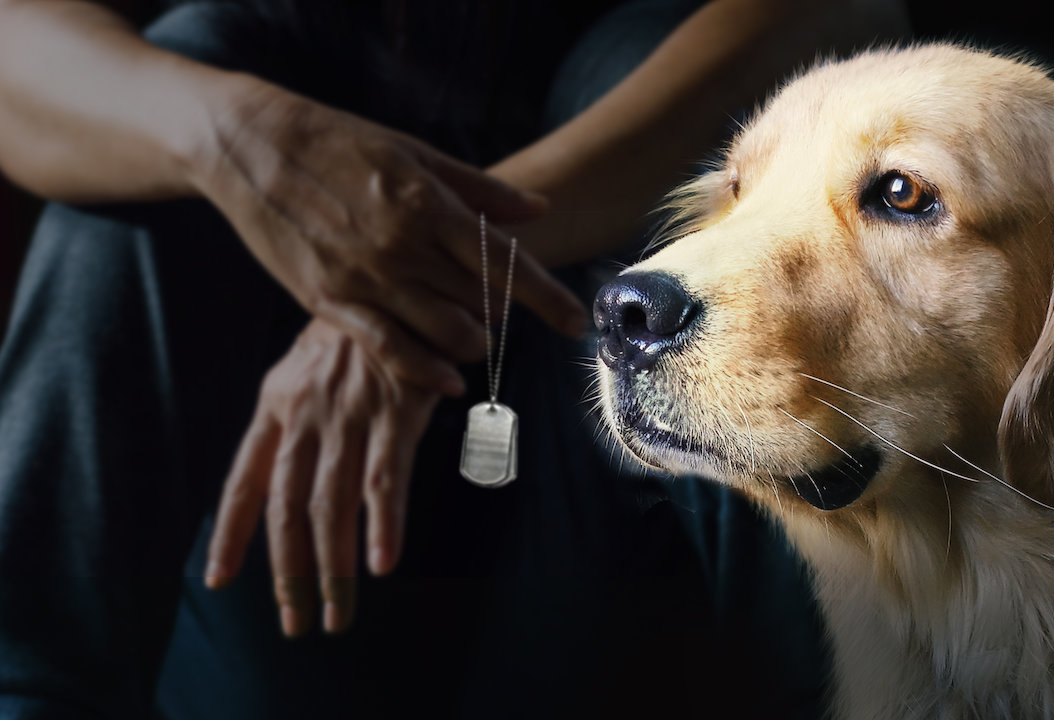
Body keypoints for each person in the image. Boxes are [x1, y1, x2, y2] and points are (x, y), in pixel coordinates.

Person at [0, 0, 911, 717]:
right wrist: (237, 142)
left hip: (608, 559)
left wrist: (413, 259)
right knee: (167, 98)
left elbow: (837, 22)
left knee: (691, 114)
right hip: (270, 555)